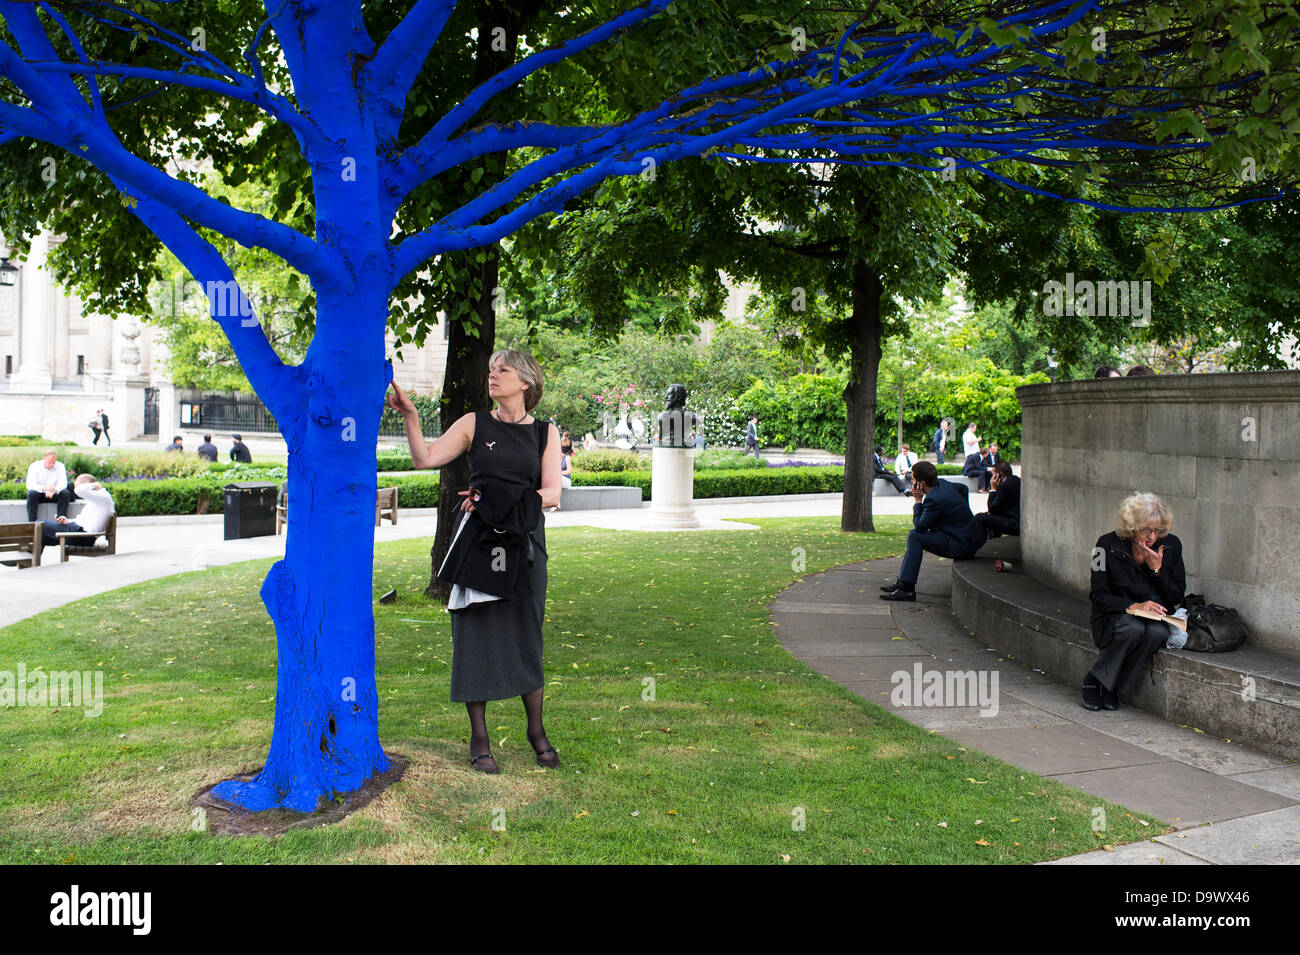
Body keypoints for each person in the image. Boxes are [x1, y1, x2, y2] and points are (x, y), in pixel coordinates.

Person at [387, 349, 562, 775]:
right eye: (489, 370)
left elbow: (553, 494)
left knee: (526, 637)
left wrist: (492, 500)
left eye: (502, 369)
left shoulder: (544, 432)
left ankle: (536, 732)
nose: (492, 375)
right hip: (477, 544)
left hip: (523, 548)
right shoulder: (473, 424)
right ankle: (479, 739)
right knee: (474, 637)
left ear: (526, 382)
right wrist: (410, 415)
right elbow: (424, 458)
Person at [1084, 492, 1186, 711]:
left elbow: (1176, 595)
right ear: (1131, 526)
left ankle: (1110, 683)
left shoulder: (1173, 546)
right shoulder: (1104, 545)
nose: (1151, 536)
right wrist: (1131, 606)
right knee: (1133, 628)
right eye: (1145, 529)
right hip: (1112, 615)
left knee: (1156, 633)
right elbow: (1098, 594)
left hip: (1154, 619)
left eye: (1156, 530)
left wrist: (1156, 570)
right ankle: (1096, 680)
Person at [880, 461, 985, 601]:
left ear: (921, 483)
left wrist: (917, 500)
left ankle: (907, 588)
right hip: (966, 538)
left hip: (962, 545)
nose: (912, 482)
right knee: (915, 537)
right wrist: (963, 518)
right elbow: (963, 489)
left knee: (915, 536)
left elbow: (920, 527)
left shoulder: (934, 499)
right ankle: (903, 582)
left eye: (913, 479)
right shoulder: (943, 484)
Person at [39, 474, 114, 547]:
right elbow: (85, 521)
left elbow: (78, 491)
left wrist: (94, 484)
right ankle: (31, 556)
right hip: (81, 533)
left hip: (84, 536)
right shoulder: (98, 498)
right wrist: (68, 521)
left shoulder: (103, 497)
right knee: (41, 535)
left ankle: (30, 556)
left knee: (40, 524)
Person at [976, 462, 1020, 539]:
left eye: (993, 474)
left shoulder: (1004, 486)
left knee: (980, 517)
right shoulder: (1017, 480)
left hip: (1014, 524)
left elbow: (991, 509)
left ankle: (981, 543)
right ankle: (993, 539)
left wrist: (993, 489)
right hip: (1015, 519)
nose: (992, 477)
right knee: (993, 516)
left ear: (999, 474)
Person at [25, 450, 71, 522]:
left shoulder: (60, 466)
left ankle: (61, 520)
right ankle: (32, 522)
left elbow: (63, 483)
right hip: (40, 493)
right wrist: (45, 488)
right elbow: (30, 485)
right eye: (49, 462)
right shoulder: (34, 466)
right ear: (44, 458)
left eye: (54, 462)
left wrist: (54, 490)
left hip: (54, 493)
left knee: (65, 493)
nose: (52, 464)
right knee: (31, 494)